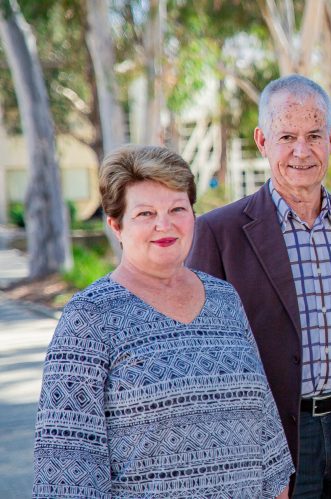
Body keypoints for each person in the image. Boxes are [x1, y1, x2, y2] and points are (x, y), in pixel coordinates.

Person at [186, 75, 331, 499]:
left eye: (314, 135)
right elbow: (203, 367)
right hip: (272, 441)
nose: (301, 150)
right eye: (286, 136)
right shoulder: (219, 234)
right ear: (262, 141)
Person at [33, 145, 294, 498]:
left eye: (177, 209)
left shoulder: (225, 300)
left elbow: (265, 432)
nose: (164, 225)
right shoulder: (90, 317)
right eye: (145, 213)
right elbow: (66, 468)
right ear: (116, 225)